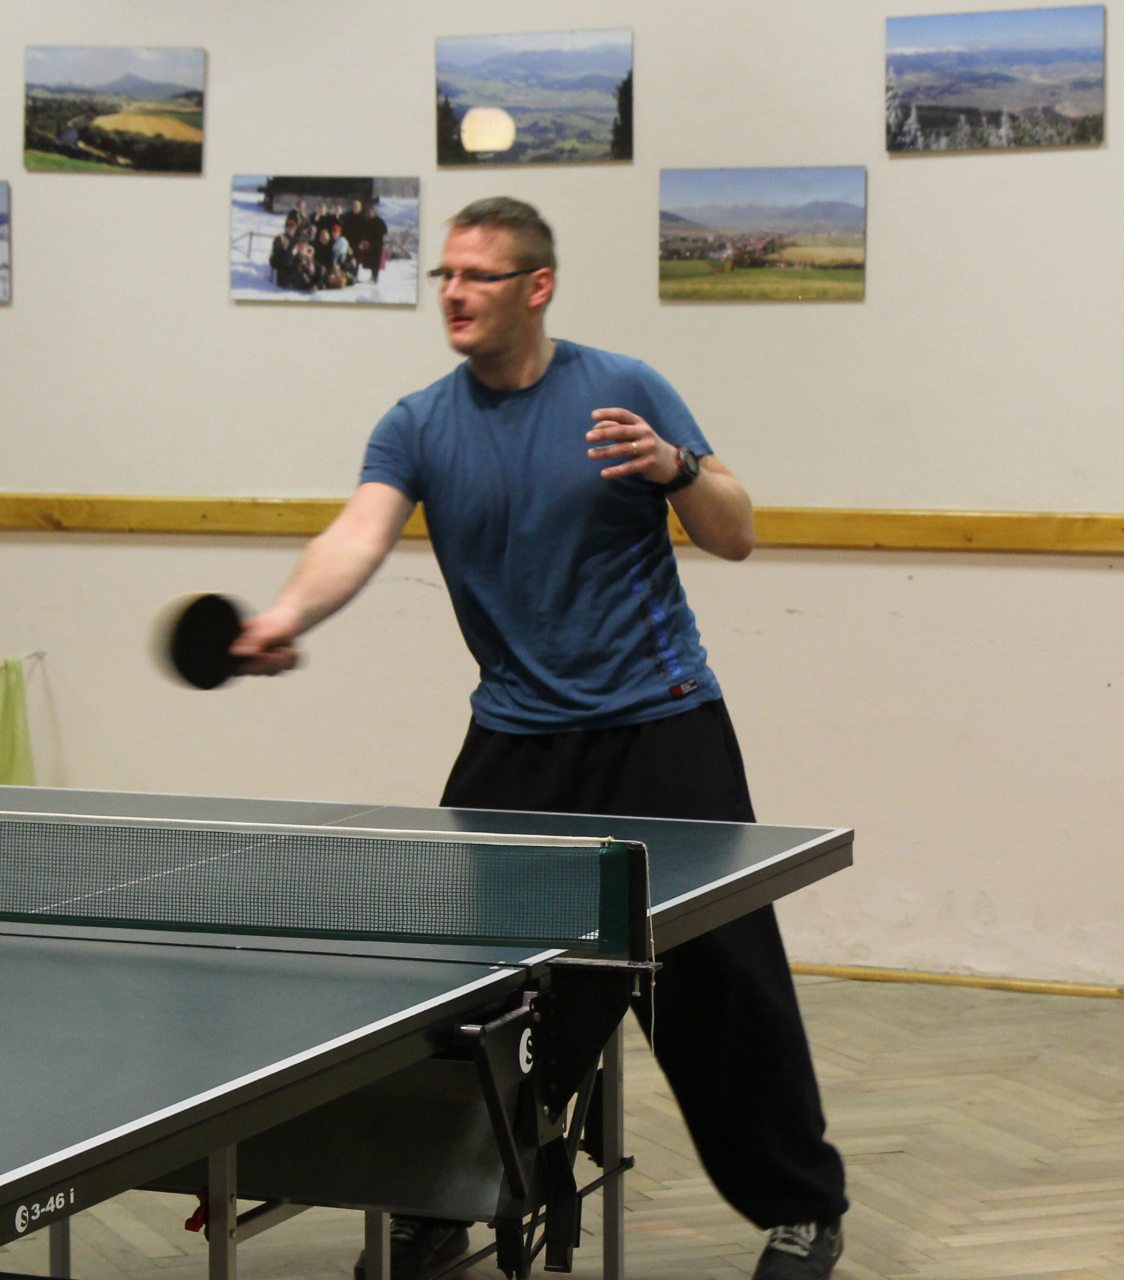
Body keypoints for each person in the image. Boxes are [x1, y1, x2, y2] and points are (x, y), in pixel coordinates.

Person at [231, 196, 848, 1280]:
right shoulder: (418, 423)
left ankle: (802, 1205)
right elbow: (358, 534)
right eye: (445, 276)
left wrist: (676, 469)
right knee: (476, 1000)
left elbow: (737, 532)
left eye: (478, 276)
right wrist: (285, 615)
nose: (454, 294)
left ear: (537, 287)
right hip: (516, 742)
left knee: (721, 987)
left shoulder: (623, 388)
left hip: (661, 727)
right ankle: (443, 1200)